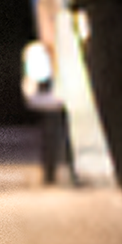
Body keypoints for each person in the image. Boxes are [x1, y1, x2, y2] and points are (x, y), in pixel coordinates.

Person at [20, 25, 72, 184]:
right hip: (49, 96)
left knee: (61, 133)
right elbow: (34, 81)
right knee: (51, 131)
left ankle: (67, 170)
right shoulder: (36, 52)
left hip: (64, 94)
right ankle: (52, 172)